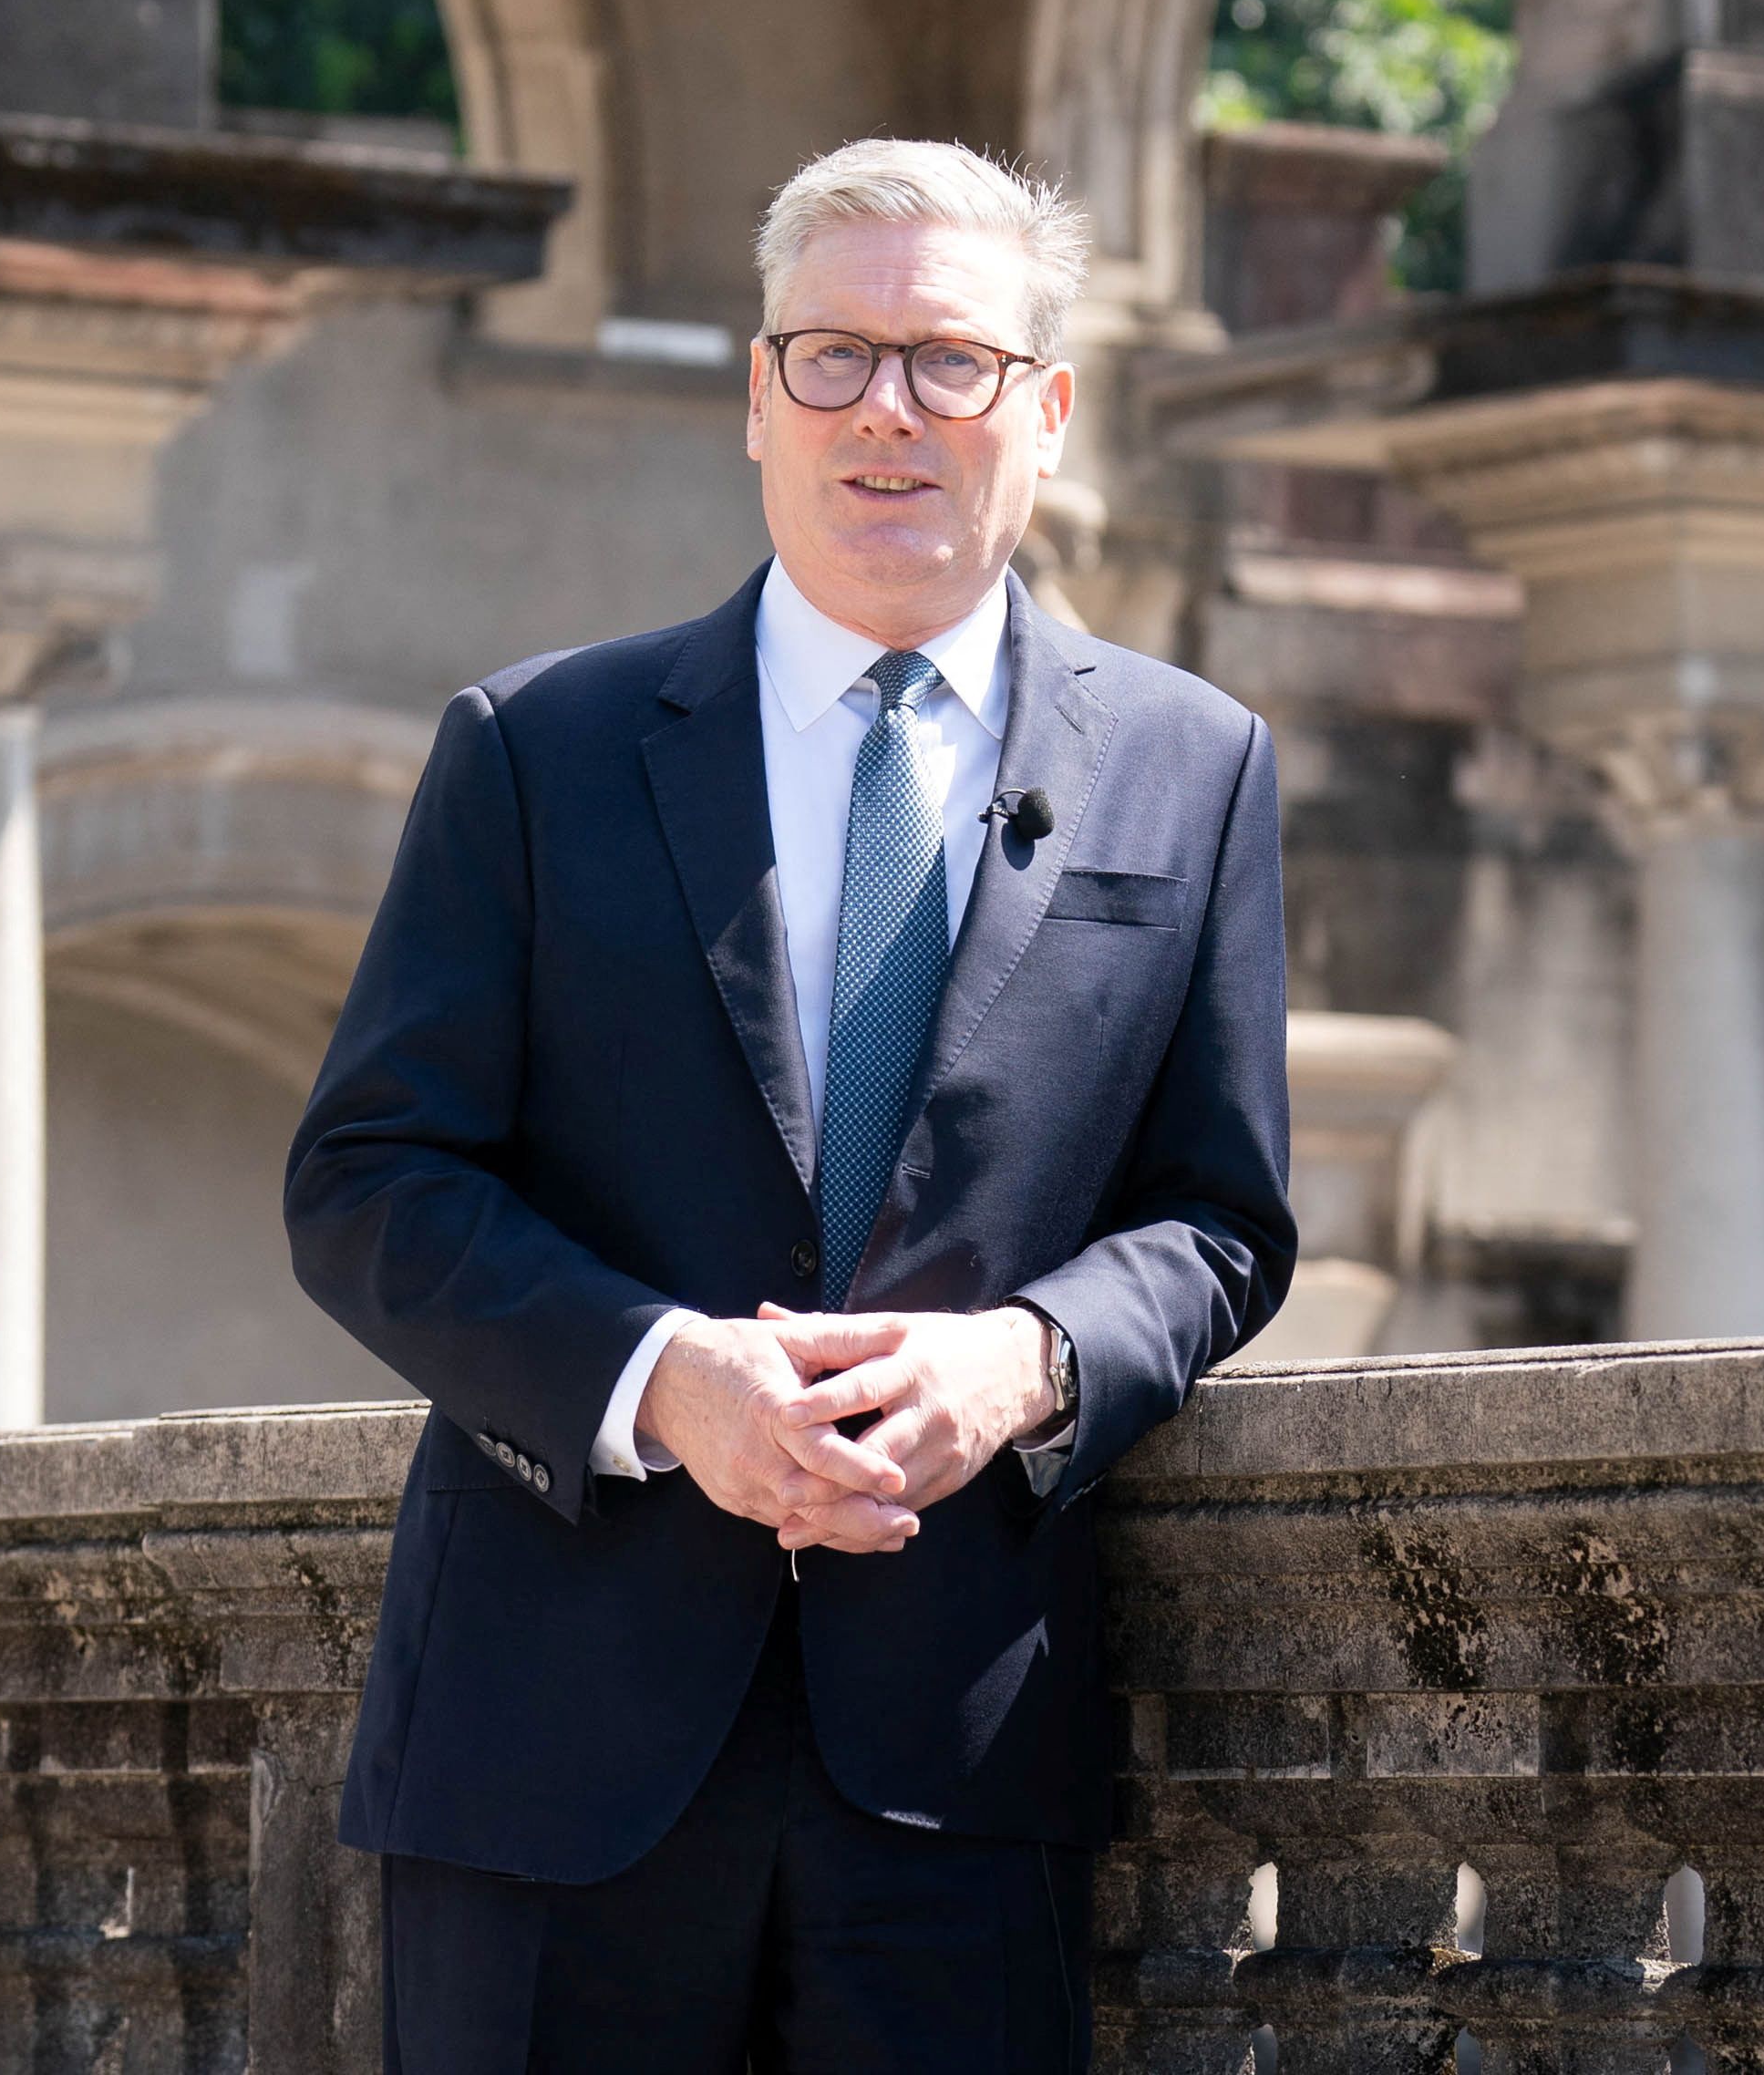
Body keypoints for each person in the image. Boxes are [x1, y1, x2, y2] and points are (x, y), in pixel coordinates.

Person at [285, 137, 1298, 2074]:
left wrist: (1023, 1359)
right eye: (830, 357)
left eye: (949, 361)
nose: (885, 411)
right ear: (757, 400)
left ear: (1049, 410)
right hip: (548, 1756)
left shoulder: (1201, 765)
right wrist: (661, 1378)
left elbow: (1222, 1217)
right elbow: (368, 1178)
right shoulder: (538, 746)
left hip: (963, 1753)